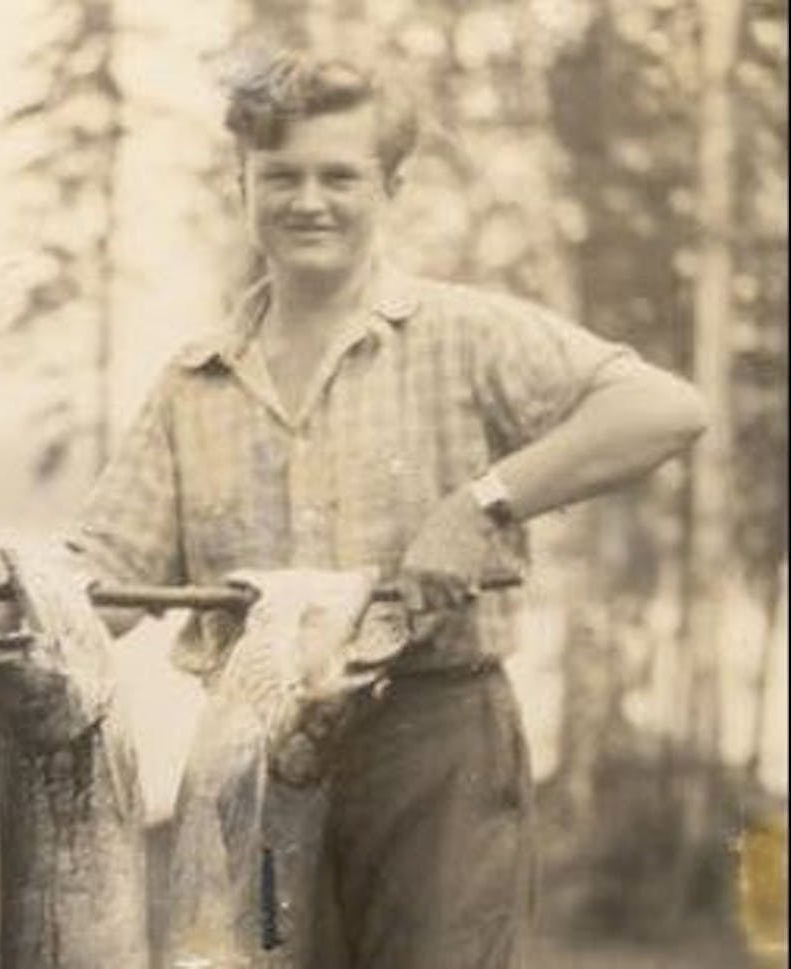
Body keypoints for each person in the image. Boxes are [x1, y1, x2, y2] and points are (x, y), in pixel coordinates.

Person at [59, 50, 709, 967]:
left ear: (392, 185)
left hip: (434, 744)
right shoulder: (192, 381)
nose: (309, 201)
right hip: (248, 763)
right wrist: (8, 590)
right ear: (241, 183)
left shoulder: (463, 332)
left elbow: (665, 409)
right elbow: (106, 584)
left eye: (340, 176)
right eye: (281, 176)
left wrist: (483, 501)